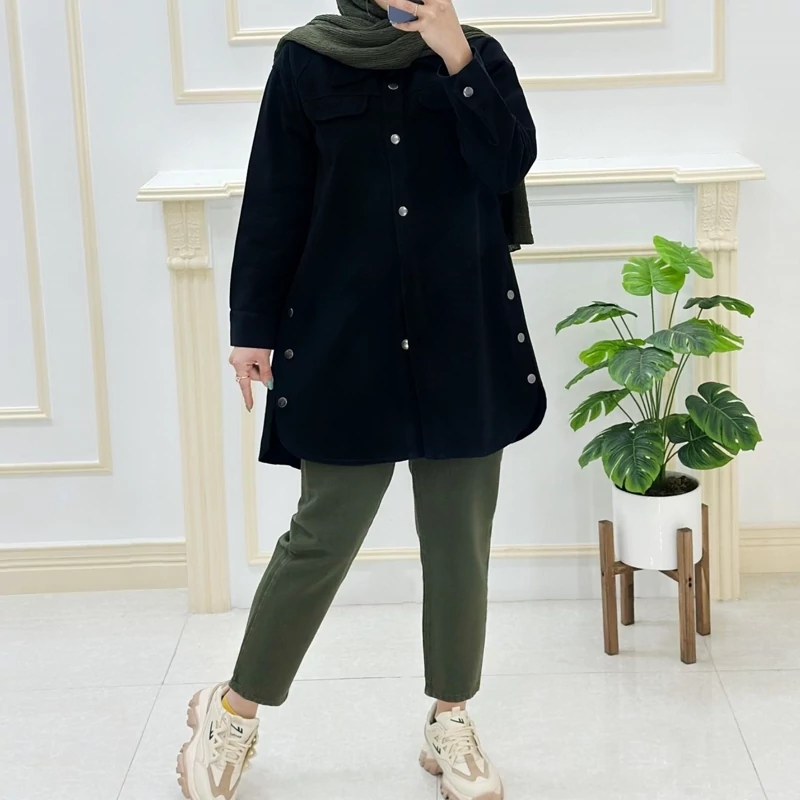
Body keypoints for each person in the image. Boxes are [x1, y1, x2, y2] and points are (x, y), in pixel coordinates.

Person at [176, 1, 546, 798]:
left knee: (459, 538)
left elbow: (508, 165)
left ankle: (450, 717)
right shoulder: (306, 58)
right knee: (324, 532)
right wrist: (252, 328)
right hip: (344, 333)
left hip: (460, 337)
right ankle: (233, 711)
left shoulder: (476, 53)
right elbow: (275, 195)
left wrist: (455, 57)